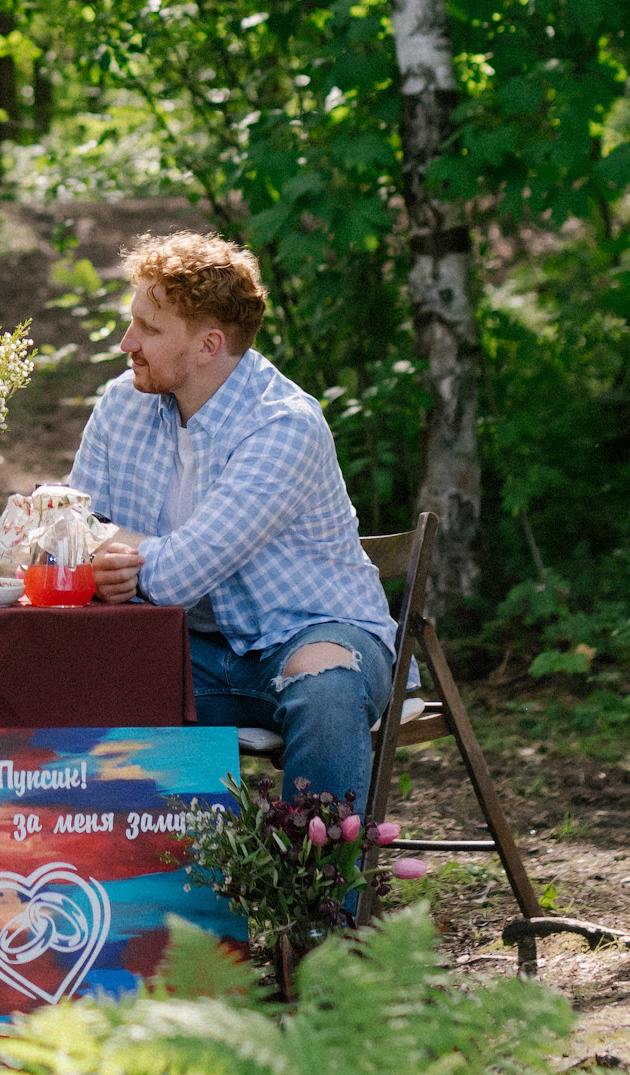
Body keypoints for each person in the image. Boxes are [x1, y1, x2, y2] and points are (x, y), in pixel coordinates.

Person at [74, 231, 396, 812]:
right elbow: (64, 531)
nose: (127, 343)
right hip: (183, 647)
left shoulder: (284, 426)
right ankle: (155, 890)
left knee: (325, 689)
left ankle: (315, 899)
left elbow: (175, 577)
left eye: (148, 328)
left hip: (307, 632)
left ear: (208, 346)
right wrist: (92, 563)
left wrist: (112, 547)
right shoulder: (122, 404)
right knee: (67, 669)